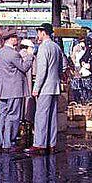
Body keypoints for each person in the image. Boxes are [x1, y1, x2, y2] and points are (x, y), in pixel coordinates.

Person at [0, 33, 33, 150]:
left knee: (2, 115)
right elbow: (24, 67)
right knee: (13, 116)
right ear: (10, 39)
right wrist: (30, 55)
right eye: (15, 37)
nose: (17, 39)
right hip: (14, 90)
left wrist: (2, 82)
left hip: (2, 90)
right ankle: (8, 143)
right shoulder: (14, 54)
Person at [31, 23, 65, 153]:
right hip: (55, 86)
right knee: (52, 116)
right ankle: (51, 144)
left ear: (43, 32)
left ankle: (39, 144)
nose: (37, 35)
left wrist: (36, 88)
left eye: (38, 32)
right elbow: (63, 67)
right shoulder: (56, 47)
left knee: (41, 116)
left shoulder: (43, 48)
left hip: (45, 87)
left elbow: (42, 70)